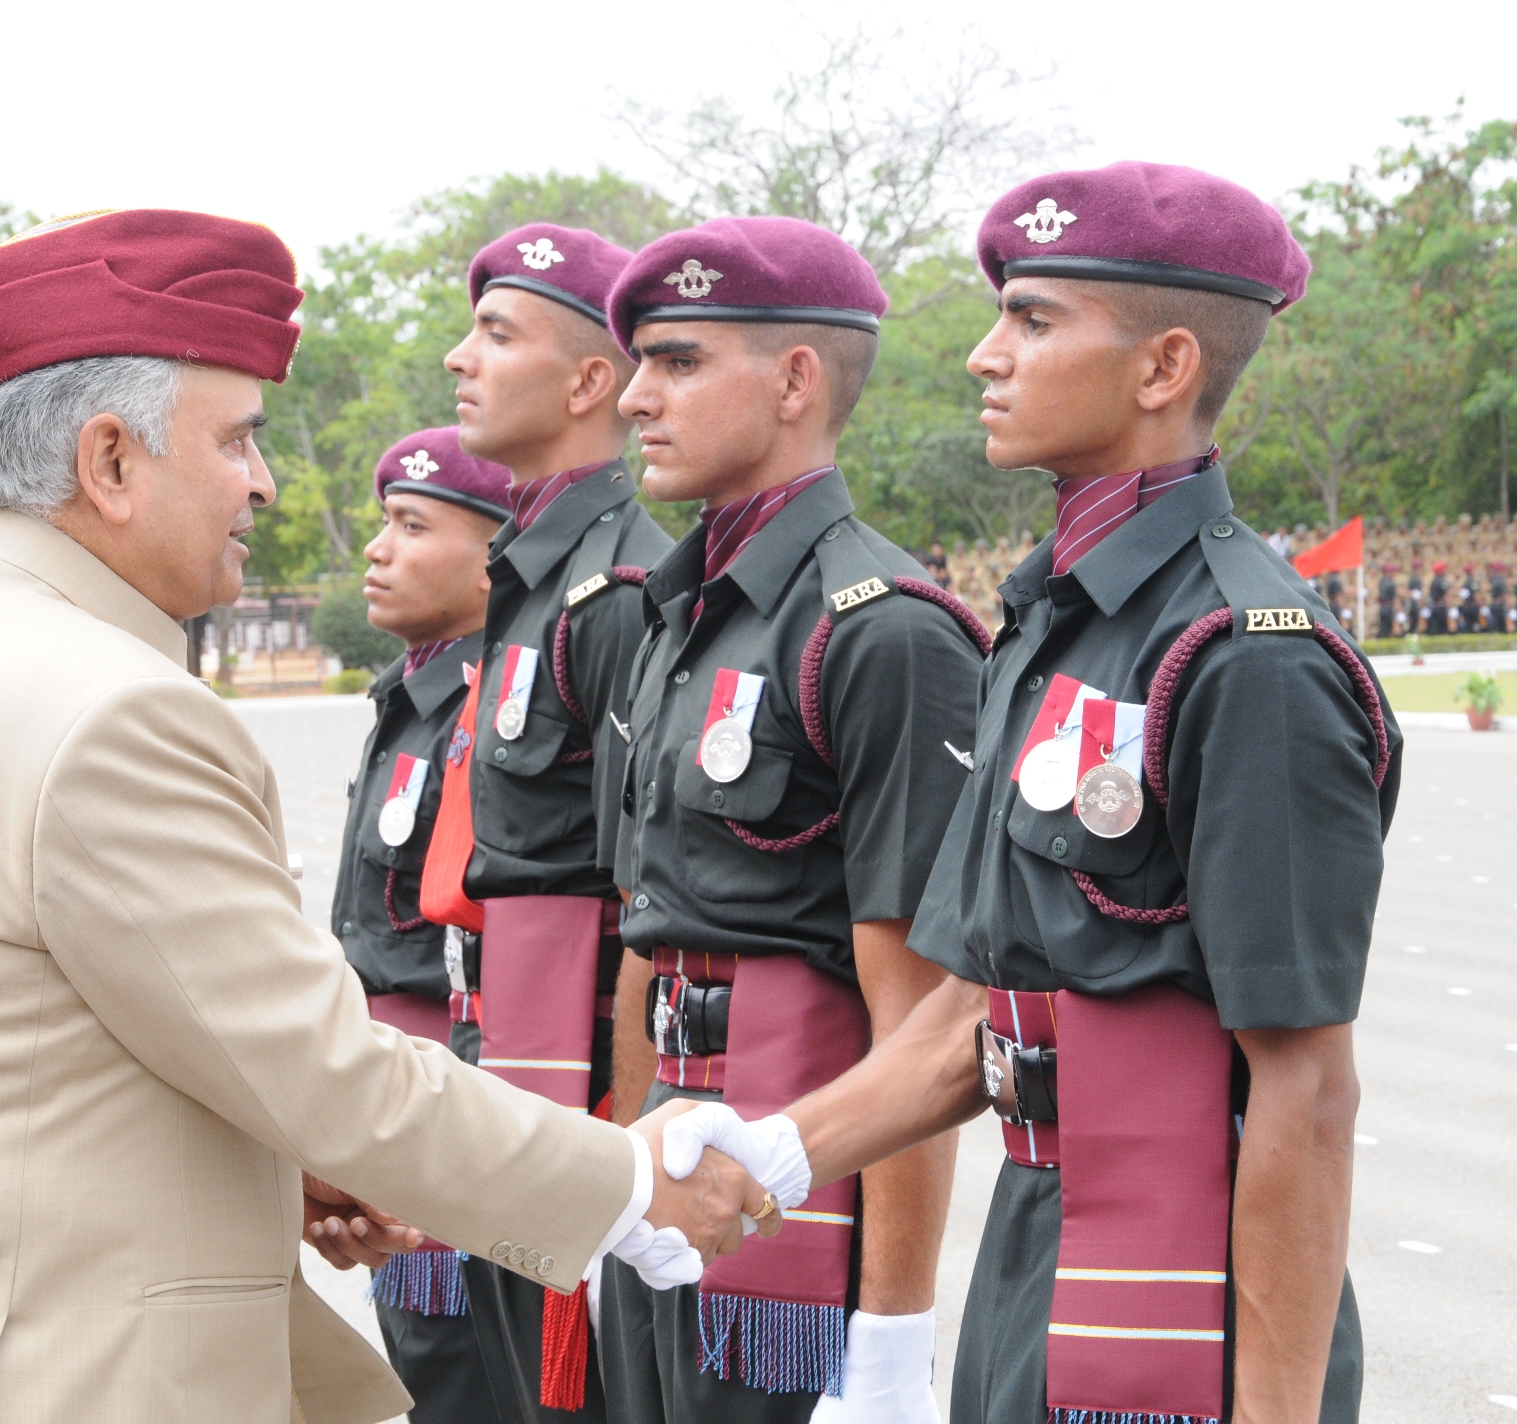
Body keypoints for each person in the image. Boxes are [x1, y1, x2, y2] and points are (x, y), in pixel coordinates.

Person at [0, 209, 762, 1424]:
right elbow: (316, 1065)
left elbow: (48, 1042)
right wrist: (625, 1180)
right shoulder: (108, 713)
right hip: (76, 1375)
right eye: (237, 439)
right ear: (107, 461)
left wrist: (273, 1170)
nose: (261, 479)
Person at [655, 161, 1402, 1424]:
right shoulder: (1055, 624)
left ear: (1163, 367)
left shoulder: (1243, 656)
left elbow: (1304, 1086)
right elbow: (980, 1010)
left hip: (1184, 1284)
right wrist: (777, 1151)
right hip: (1036, 1233)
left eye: (1034, 318)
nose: (982, 355)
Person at [598, 216, 989, 1423]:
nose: (630, 397)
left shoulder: (880, 630)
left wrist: (889, 1342)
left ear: (793, 380)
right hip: (665, 1161)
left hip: (796, 1210)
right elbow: (648, 943)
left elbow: (918, 1022)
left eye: (674, 360)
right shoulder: (676, 615)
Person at [440, 221, 677, 1421]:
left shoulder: (622, 588)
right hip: (506, 1064)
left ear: (591, 381)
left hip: (576, 1087)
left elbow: (645, 895)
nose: (455, 360)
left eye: (494, 333)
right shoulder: (532, 574)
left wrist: (616, 1148)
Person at [334, 425, 512, 1421]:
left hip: (456, 1096)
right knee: (429, 1375)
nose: (376, 547)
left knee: (470, 1381)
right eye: (382, 522)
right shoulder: (412, 694)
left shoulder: (497, 708)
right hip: (390, 1102)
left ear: (496, 559)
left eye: (409, 524)